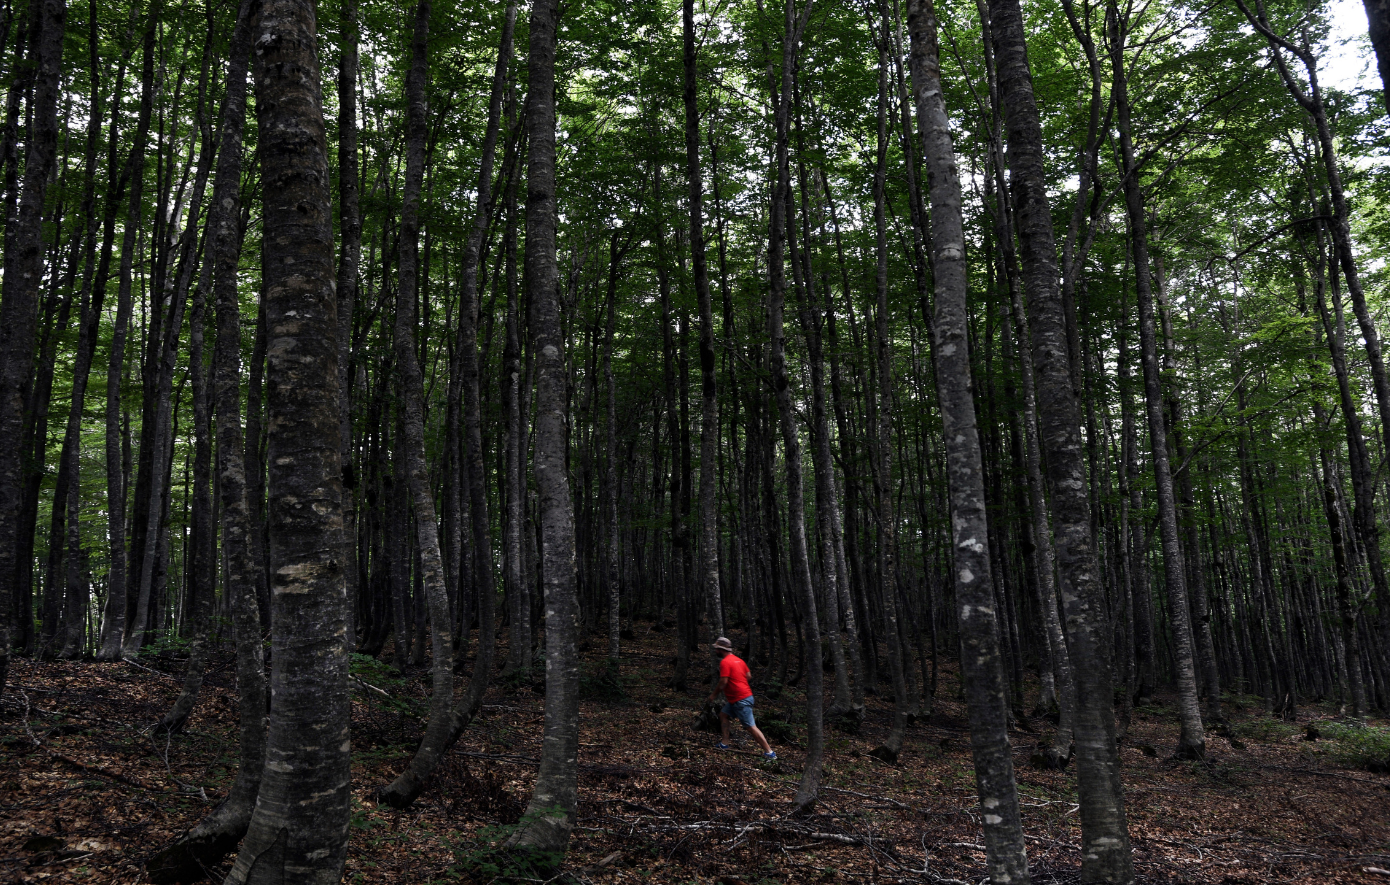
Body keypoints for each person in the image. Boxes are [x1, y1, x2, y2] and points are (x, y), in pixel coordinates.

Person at [705, 636, 776, 760]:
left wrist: (713, 695)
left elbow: (723, 682)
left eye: (717, 649)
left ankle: (769, 752)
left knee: (750, 726)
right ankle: (724, 743)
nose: (715, 651)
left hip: (741, 699)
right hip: (737, 699)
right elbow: (748, 676)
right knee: (723, 715)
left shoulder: (725, 662)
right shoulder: (739, 661)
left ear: (721, 649)